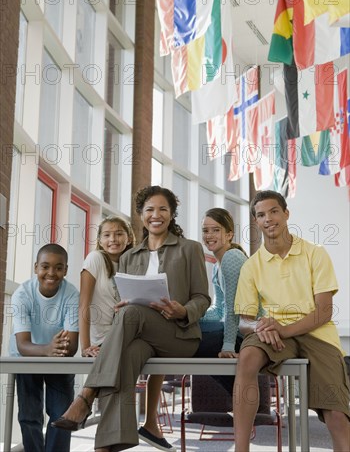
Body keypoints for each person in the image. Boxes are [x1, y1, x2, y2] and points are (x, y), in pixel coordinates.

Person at [52, 185, 211, 452]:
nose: (156, 214)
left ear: (172, 214)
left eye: (163, 209)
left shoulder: (190, 249)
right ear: (141, 215)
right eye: (149, 209)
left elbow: (202, 298)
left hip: (179, 336)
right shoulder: (128, 256)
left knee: (131, 313)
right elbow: (124, 301)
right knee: (125, 358)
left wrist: (183, 311)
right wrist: (123, 306)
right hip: (142, 336)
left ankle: (86, 395)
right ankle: (109, 445)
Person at [233, 190, 350, 452]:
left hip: (317, 334)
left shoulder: (315, 254)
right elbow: (245, 321)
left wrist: (284, 329)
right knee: (248, 355)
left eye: (274, 211)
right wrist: (259, 327)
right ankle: (241, 449)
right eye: (261, 214)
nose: (268, 219)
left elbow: (324, 312)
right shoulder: (251, 266)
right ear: (256, 221)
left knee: (336, 414)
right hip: (275, 333)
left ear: (286, 214)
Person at [9, 243, 79, 452]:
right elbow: (23, 345)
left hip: (58, 359)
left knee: (61, 416)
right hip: (27, 359)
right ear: (35, 267)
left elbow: (72, 346)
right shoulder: (22, 295)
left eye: (59, 267)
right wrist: (48, 348)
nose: (51, 273)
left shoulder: (72, 295)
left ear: (66, 270)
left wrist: (53, 350)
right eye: (45, 266)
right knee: (29, 416)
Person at [79, 215, 135, 357]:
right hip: (100, 341)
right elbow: (83, 304)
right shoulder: (95, 258)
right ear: (100, 240)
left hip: (125, 338)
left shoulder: (133, 264)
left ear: (128, 238)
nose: (113, 239)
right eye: (107, 235)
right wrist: (85, 347)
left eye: (119, 234)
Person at [198, 207, 248, 361]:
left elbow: (233, 308)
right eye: (206, 231)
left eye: (216, 230)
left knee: (187, 335)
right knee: (187, 328)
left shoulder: (232, 257)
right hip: (232, 328)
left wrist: (228, 346)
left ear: (229, 234)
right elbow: (219, 310)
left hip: (243, 333)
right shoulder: (216, 266)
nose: (209, 235)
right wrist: (192, 316)